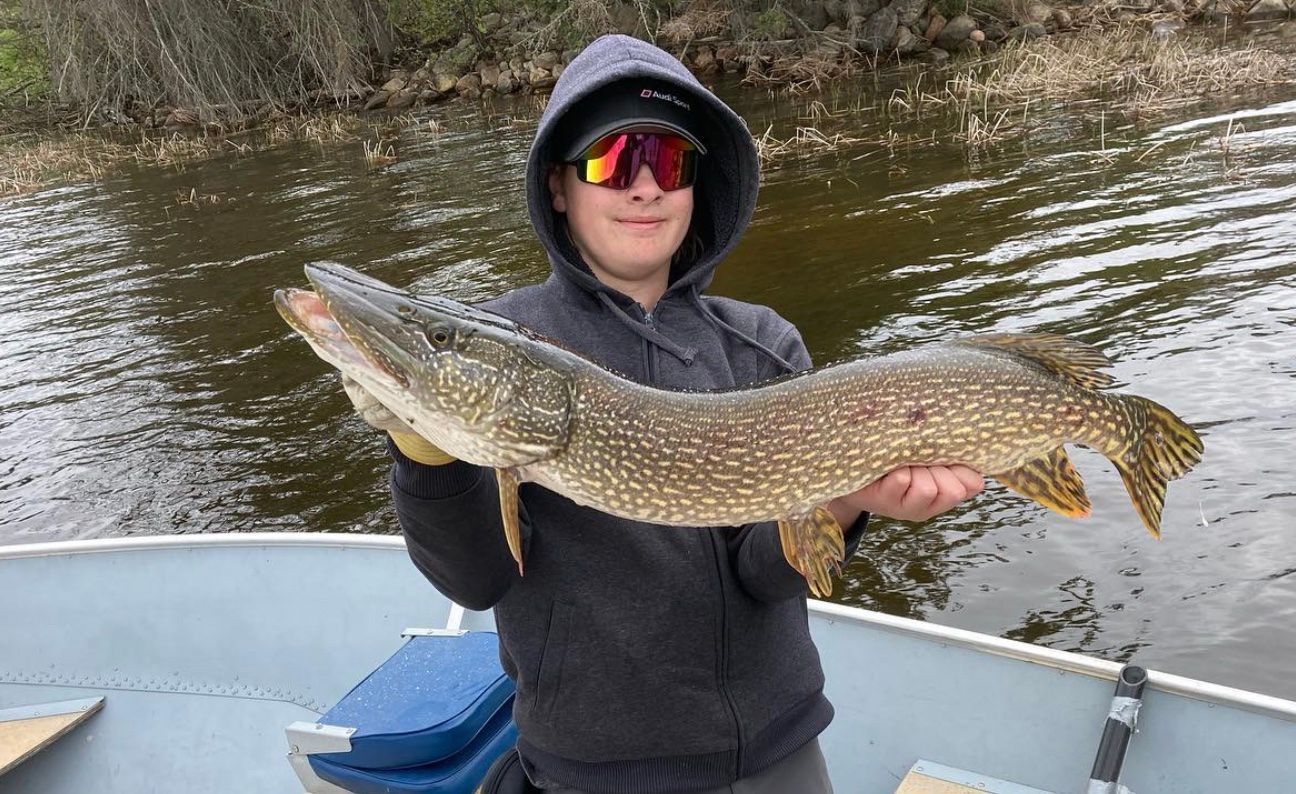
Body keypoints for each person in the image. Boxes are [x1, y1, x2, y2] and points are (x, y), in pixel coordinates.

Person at [345, 33, 983, 794]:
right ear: (559, 185)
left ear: (694, 186)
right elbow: (475, 580)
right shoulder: (502, 343)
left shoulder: (764, 346)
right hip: (593, 767)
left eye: (669, 163)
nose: (644, 188)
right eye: (614, 161)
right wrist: (423, 443)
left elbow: (766, 574)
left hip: (778, 750)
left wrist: (848, 498)